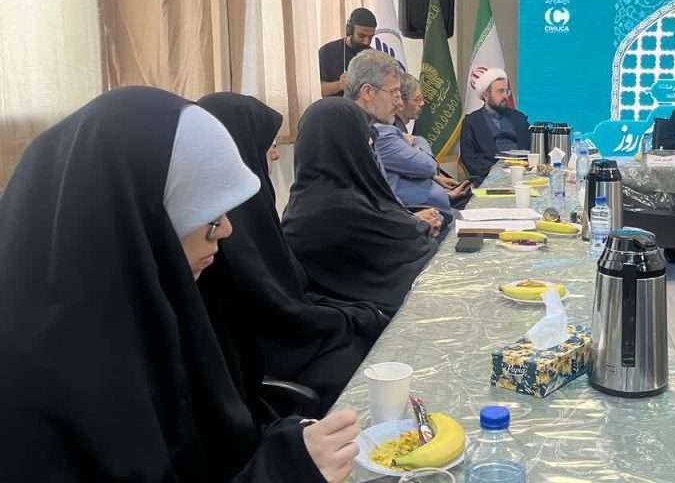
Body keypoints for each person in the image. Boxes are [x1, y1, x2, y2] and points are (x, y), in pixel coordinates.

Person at [0, 87, 359, 482]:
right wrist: (285, 471)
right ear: (140, 219)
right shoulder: (36, 386)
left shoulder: (163, 301)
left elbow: (219, 444)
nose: (226, 229)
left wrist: (288, 445)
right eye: (209, 216)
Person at [197, 92, 390, 415]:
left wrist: (351, 314)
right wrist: (349, 317)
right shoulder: (221, 230)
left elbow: (290, 290)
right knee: (360, 351)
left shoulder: (248, 211)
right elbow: (272, 308)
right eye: (269, 144)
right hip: (267, 353)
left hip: (285, 334)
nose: (276, 154)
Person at [282, 96, 438, 317]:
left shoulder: (307, 198)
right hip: (374, 322)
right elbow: (410, 248)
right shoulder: (335, 208)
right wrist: (419, 227)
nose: (370, 145)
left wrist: (415, 224)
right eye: (364, 138)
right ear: (347, 143)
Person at [347, 49, 445, 235]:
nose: (399, 103)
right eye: (394, 93)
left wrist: (412, 218)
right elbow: (363, 212)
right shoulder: (348, 135)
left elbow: (385, 200)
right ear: (368, 92)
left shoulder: (369, 132)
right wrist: (411, 224)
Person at [374, 73, 472, 220]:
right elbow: (427, 166)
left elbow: (418, 169)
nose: (423, 103)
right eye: (417, 99)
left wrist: (435, 179)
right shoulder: (386, 133)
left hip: (431, 204)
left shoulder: (400, 129)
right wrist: (419, 144)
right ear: (402, 103)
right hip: (416, 212)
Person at [459, 67, 530, 184]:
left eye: (506, 91)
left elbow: (531, 150)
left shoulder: (519, 118)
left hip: (523, 175)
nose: (505, 96)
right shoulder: (472, 122)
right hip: (489, 178)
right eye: (500, 91)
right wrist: (496, 171)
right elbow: (469, 158)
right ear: (486, 95)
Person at [319, 7, 377, 97]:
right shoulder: (327, 52)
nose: (366, 42)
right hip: (335, 105)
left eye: (370, 37)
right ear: (350, 31)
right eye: (361, 36)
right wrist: (339, 85)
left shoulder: (374, 57)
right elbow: (318, 89)